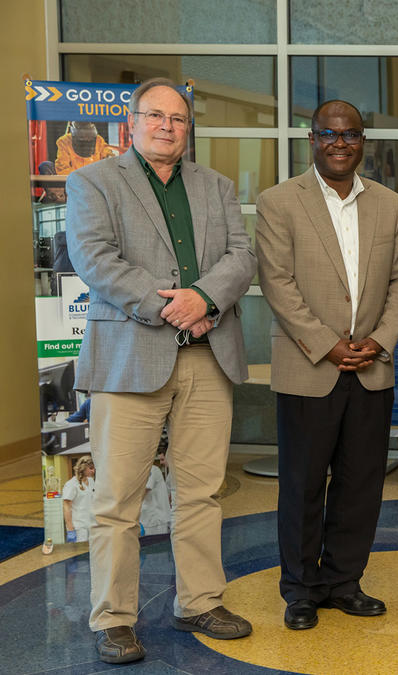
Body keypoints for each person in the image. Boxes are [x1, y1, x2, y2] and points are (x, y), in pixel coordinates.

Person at [65, 78, 256, 664]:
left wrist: (205, 299)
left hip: (208, 356)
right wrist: (172, 304)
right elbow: (94, 259)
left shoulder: (216, 186)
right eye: (156, 115)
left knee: (200, 492)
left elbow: (242, 256)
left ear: (188, 127)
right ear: (132, 123)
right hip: (130, 357)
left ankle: (199, 600)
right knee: (119, 499)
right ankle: (114, 619)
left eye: (177, 118)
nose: (167, 126)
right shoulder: (92, 181)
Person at [256, 100, 398, 631]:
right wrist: (327, 345)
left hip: (371, 367)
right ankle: (300, 588)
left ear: (363, 141)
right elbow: (278, 284)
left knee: (361, 481)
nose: (340, 143)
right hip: (309, 368)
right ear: (312, 140)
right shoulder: (279, 202)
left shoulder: (390, 205)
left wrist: (381, 340)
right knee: (301, 483)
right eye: (329, 134)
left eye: (350, 135)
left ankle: (345, 581)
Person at [62, 455, 96, 543]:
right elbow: (66, 507)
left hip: (92, 524)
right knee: (81, 555)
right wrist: (70, 529)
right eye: (91, 468)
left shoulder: (91, 481)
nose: (93, 471)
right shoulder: (71, 484)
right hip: (79, 527)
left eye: (94, 468)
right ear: (83, 468)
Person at [138, 452, 171, 536]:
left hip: (155, 521)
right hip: (147, 521)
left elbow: (145, 490)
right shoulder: (140, 472)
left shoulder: (152, 469)